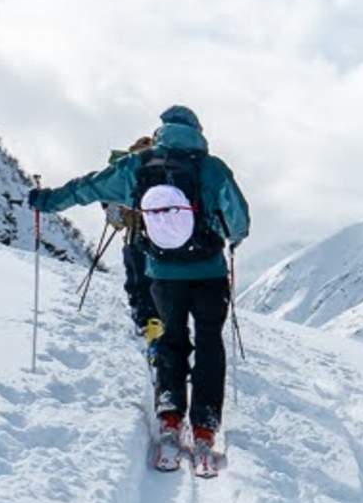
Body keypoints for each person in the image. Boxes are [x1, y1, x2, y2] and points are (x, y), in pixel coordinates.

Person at [29, 106, 250, 457]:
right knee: (210, 342)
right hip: (209, 273)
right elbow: (239, 217)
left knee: (170, 339)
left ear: (162, 130)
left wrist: (46, 201)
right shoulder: (213, 168)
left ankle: (170, 413)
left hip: (162, 273)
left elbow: (88, 187)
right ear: (198, 131)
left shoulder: (138, 165)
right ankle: (205, 423)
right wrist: (234, 237)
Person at [102, 135, 162, 354]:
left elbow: (111, 203)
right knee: (159, 278)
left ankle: (146, 322)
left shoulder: (128, 166)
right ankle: (160, 321)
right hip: (164, 234)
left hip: (135, 233)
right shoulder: (166, 164)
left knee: (137, 278)